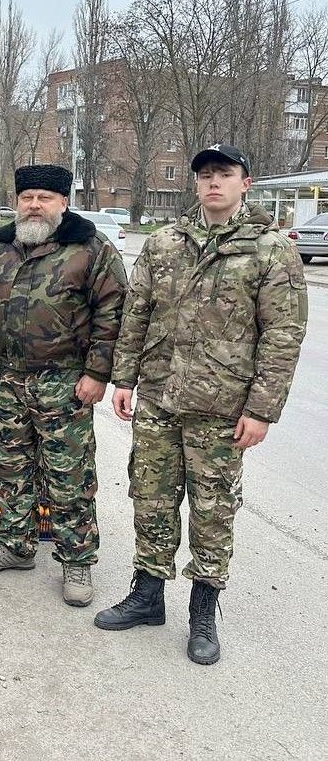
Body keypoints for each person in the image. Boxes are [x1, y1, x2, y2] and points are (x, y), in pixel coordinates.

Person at [94, 144, 307, 664]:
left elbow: (283, 336)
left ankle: (203, 612)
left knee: (212, 511)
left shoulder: (270, 250)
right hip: (159, 398)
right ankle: (147, 596)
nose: (213, 183)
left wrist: (261, 410)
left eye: (224, 175)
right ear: (194, 185)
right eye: (205, 175)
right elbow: (136, 311)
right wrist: (123, 378)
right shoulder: (166, 242)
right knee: (151, 497)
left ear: (245, 183)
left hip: (223, 406)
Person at [0, 164, 127, 607]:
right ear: (17, 201)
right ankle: (16, 545)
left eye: (45, 198)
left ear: (63, 203)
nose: (34, 205)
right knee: (10, 466)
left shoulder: (90, 249)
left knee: (69, 474)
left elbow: (113, 314)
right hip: (7, 378)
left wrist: (97, 373)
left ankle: (76, 559)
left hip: (65, 382)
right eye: (27, 197)